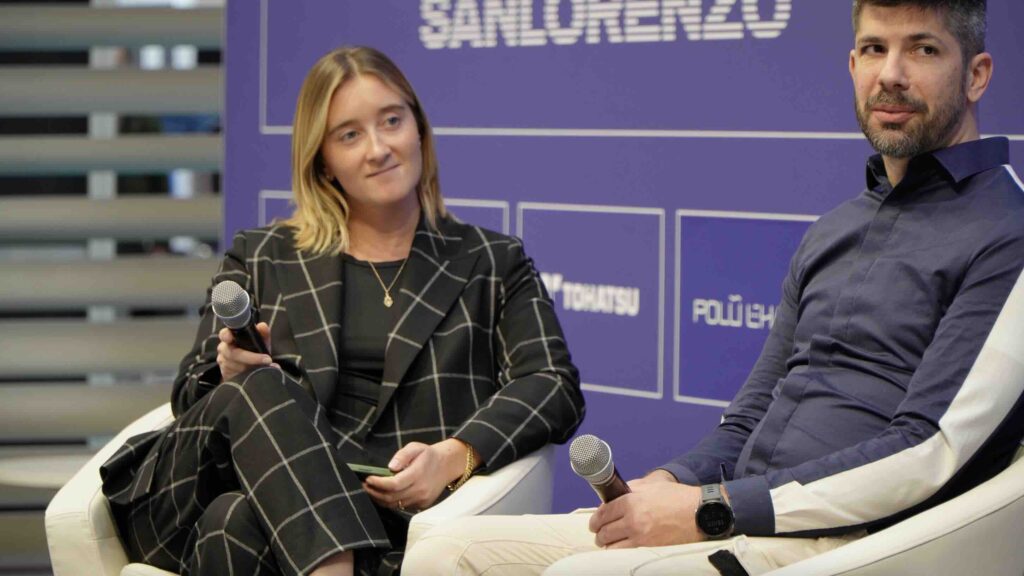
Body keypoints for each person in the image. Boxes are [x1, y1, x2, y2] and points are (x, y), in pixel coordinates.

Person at [403, 1, 1024, 574]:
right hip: (735, 517)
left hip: (850, 543)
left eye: (922, 49)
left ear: (976, 74)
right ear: (852, 63)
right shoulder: (837, 228)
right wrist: (674, 483)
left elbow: (927, 451)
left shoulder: (1007, 230)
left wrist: (710, 508)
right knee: (440, 551)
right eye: (872, 49)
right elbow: (751, 414)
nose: (890, 74)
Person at [99, 46, 585, 576]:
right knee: (259, 388)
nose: (378, 148)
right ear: (323, 160)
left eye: (392, 121)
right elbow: (189, 395)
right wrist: (226, 372)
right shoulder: (263, 255)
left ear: (418, 129)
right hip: (207, 491)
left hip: (382, 523)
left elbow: (552, 383)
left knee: (231, 524)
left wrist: (454, 455)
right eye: (349, 135)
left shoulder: (491, 261)